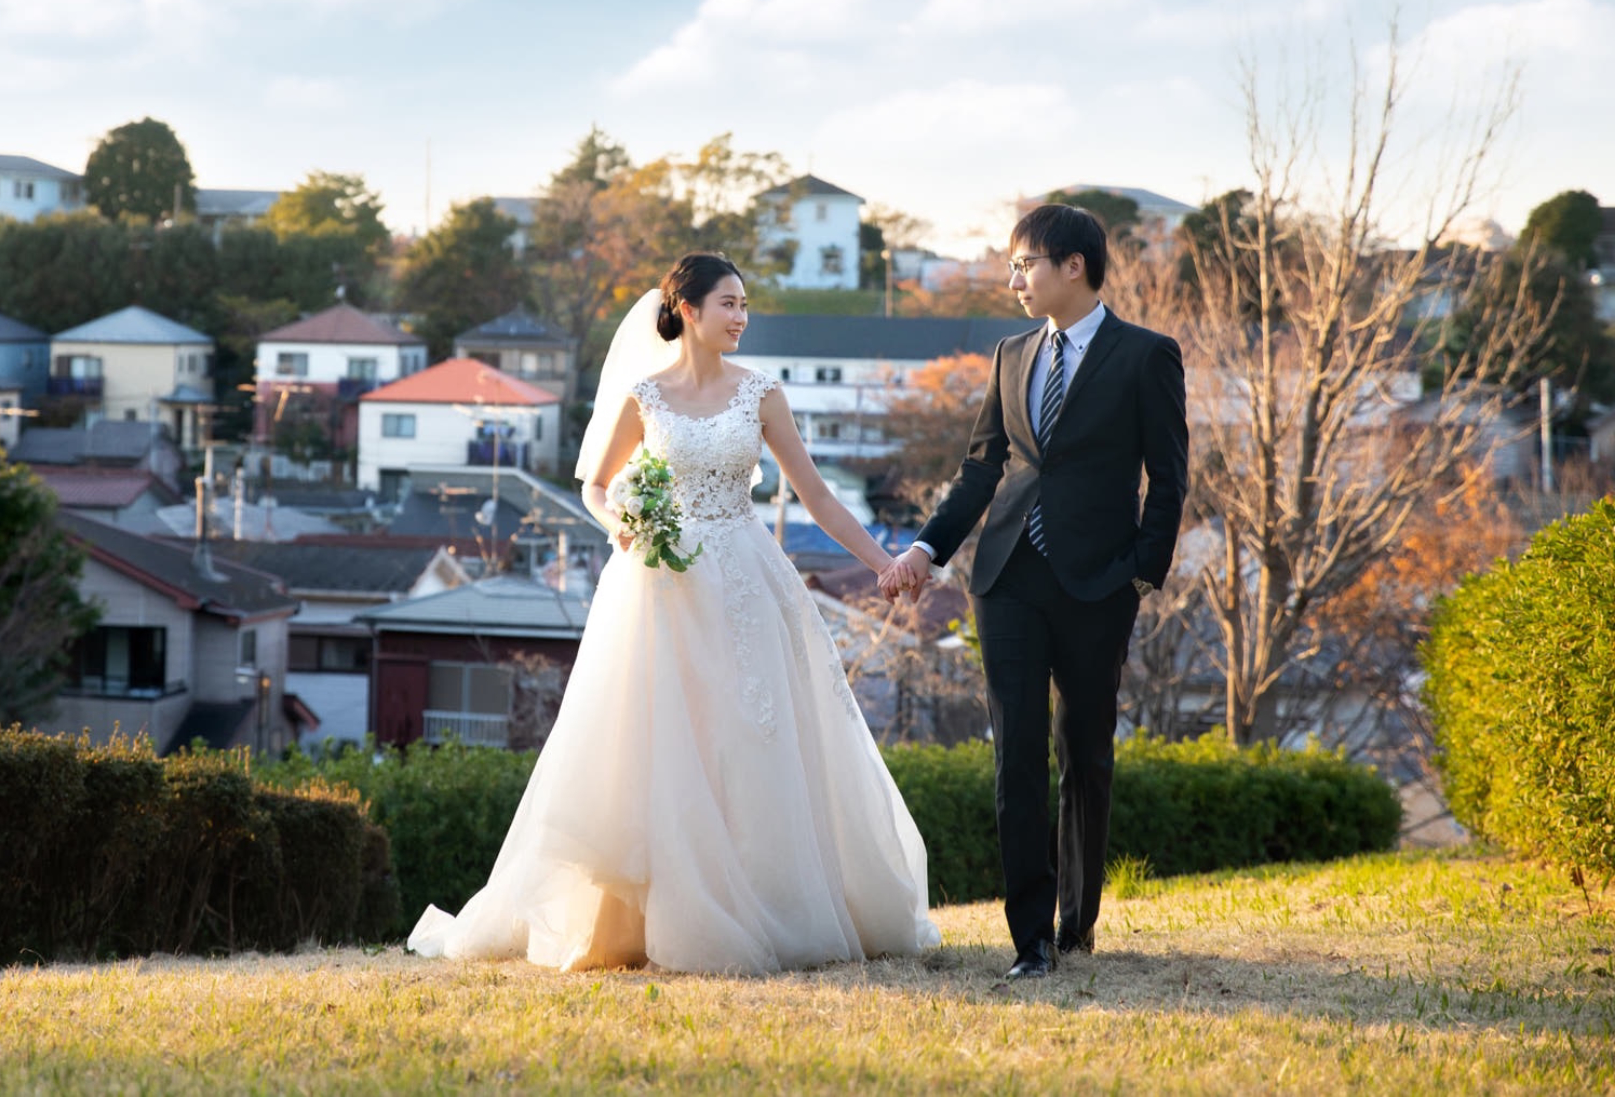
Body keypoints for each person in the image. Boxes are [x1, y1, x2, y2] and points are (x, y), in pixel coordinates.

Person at [407, 253, 941, 973]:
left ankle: (762, 906)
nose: (742, 317)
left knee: (750, 739)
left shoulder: (762, 395)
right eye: (729, 303)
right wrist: (622, 521)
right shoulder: (644, 396)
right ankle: (637, 921)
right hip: (657, 583)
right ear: (686, 309)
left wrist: (884, 563)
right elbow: (597, 486)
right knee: (659, 742)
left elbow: (815, 495)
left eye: (746, 305)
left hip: (746, 579)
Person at [879, 204, 1187, 980]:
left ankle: (1078, 918)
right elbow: (982, 468)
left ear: (1072, 266)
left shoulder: (1147, 355)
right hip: (1006, 576)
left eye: (1025, 264)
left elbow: (1169, 478)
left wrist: (1142, 571)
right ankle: (1032, 941)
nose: (1014, 279)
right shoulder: (1012, 354)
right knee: (1015, 751)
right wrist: (927, 547)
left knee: (1083, 750)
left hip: (1097, 584)